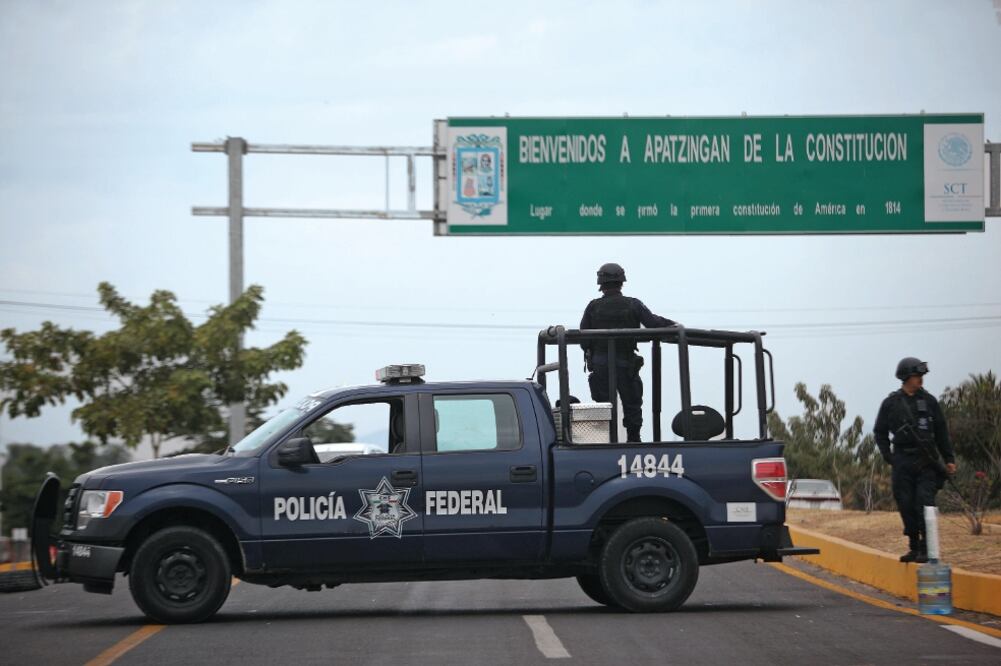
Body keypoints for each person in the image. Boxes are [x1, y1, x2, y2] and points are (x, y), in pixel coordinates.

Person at [580, 263, 676, 442]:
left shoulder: (593, 307)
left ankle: (606, 440)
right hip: (626, 365)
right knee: (632, 405)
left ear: (601, 283)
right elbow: (653, 323)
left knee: (603, 408)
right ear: (622, 282)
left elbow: (583, 339)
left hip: (601, 367)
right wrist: (673, 325)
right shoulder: (633, 304)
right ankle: (633, 439)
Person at [873, 357, 957, 563]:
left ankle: (926, 548)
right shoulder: (891, 403)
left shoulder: (929, 402)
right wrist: (889, 457)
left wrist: (949, 458)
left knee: (924, 503)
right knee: (906, 504)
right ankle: (913, 545)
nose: (920, 379)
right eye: (916, 375)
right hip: (902, 460)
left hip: (926, 461)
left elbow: (941, 431)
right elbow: (880, 432)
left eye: (921, 376)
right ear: (906, 377)